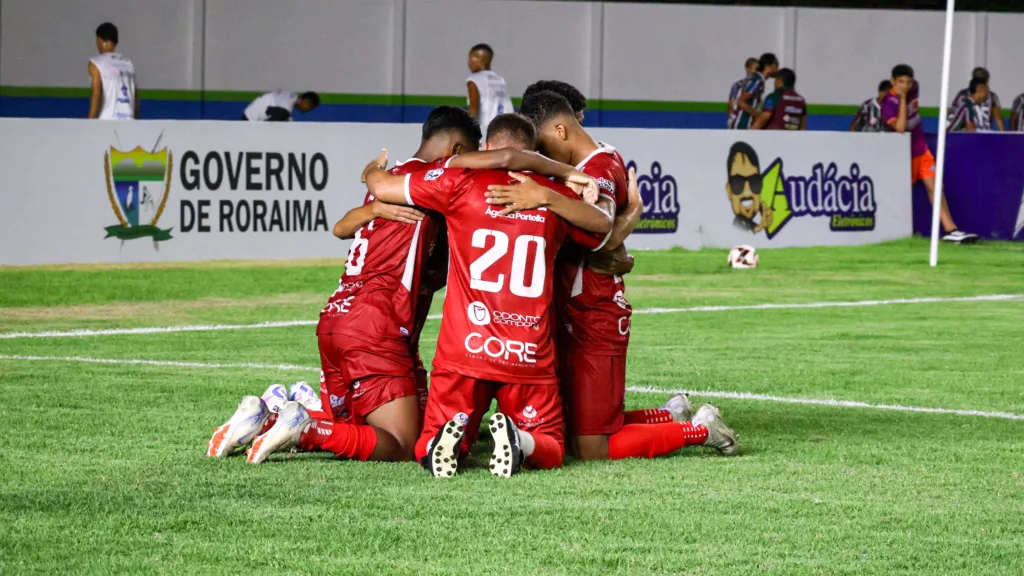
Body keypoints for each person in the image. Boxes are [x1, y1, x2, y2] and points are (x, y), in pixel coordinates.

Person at [233, 109, 601, 465]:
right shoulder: (462, 180)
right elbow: (599, 227)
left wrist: (373, 184)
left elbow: (342, 227)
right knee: (404, 443)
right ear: (460, 151)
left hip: (346, 318)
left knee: (376, 428)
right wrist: (567, 178)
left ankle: (274, 413)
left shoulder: (410, 180)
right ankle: (305, 424)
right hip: (394, 325)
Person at [363, 113, 615, 478]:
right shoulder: (552, 194)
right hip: (528, 353)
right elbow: (603, 229)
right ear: (534, 151)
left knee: (428, 439)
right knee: (551, 448)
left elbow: (383, 189)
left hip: (464, 349)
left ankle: (443, 443)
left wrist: (372, 171)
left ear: (484, 148)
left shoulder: (459, 179)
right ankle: (521, 441)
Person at [521, 90, 737, 462]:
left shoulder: (597, 168)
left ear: (559, 129)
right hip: (575, 310)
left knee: (591, 448)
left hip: (593, 313)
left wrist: (626, 218)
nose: (541, 160)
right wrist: (631, 217)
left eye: (541, 147)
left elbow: (601, 231)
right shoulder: (597, 158)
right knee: (570, 426)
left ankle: (702, 430)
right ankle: (668, 414)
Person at [882, 64, 977, 244]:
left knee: (935, 187)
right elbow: (901, 128)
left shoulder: (914, 88)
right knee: (899, 194)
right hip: (902, 155)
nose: (905, 85)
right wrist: (902, 100)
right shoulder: (888, 103)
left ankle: (951, 230)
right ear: (892, 81)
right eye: (900, 82)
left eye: (908, 82)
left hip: (921, 149)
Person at [88, 23, 137, 120]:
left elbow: (96, 95)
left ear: (101, 40)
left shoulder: (95, 63)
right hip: (129, 121)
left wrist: (90, 120)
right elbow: (136, 99)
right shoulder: (129, 64)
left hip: (107, 121)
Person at [466, 43, 514, 141]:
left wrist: (468, 131)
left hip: (485, 132)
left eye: (470, 58)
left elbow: (473, 108)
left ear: (477, 59)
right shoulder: (500, 80)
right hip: (504, 130)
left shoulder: (474, 80)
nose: (468, 63)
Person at [730, 53, 779, 130]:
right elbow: (741, 102)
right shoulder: (757, 81)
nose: (777, 70)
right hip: (744, 123)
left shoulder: (756, 78)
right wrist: (758, 116)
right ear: (767, 67)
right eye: (776, 67)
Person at [949, 67, 1004, 132]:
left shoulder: (962, 94)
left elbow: (952, 113)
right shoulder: (992, 96)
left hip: (968, 135)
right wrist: (1002, 134)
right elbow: (998, 117)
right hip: (981, 133)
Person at [242, 90, 320, 122]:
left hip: (249, 114)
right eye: (309, 108)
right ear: (306, 102)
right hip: (251, 119)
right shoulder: (286, 106)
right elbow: (273, 124)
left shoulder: (289, 97)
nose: (308, 111)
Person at [727, 57, 759, 129]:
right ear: (747, 69)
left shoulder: (758, 83)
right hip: (739, 122)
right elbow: (731, 104)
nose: (757, 72)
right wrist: (731, 119)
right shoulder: (737, 85)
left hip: (751, 122)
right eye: (755, 69)